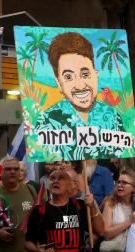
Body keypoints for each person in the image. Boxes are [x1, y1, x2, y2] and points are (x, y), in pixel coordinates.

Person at [33, 32, 125, 160]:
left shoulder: (113, 117)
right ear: (58, 83)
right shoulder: (47, 121)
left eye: (85, 74)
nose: (80, 86)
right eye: (68, 77)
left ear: (96, 74)